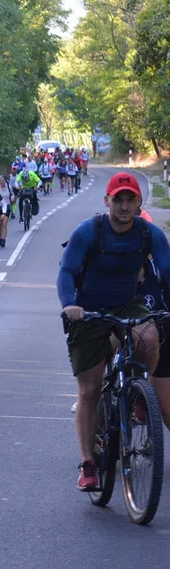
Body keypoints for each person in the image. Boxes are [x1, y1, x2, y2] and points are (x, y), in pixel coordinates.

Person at [58, 172, 170, 491]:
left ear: (139, 202)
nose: (123, 206)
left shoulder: (149, 234)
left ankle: (139, 394)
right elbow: (66, 271)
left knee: (149, 336)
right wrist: (69, 304)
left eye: (130, 199)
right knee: (90, 391)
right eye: (117, 199)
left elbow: (169, 271)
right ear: (107, 201)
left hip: (127, 304)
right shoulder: (88, 232)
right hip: (89, 308)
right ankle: (88, 464)